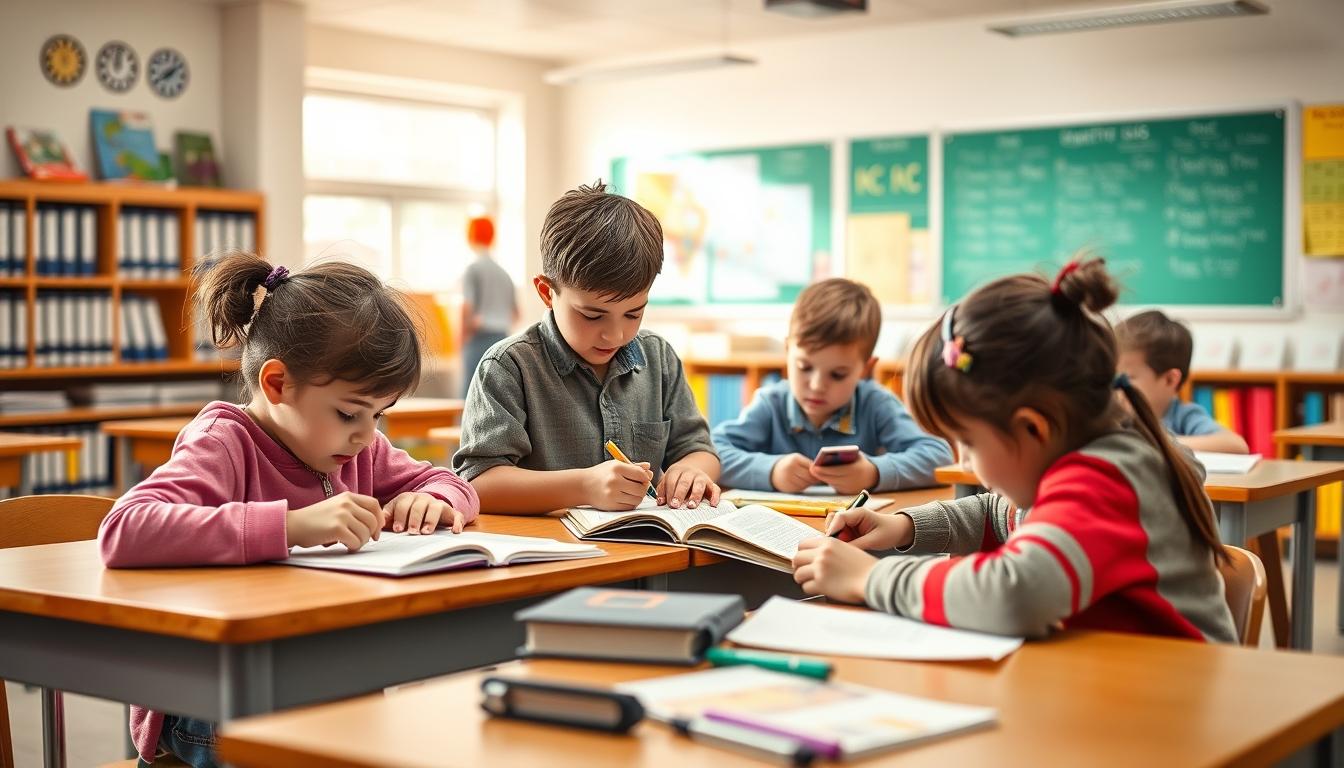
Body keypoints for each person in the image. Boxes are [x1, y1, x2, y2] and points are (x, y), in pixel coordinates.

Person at [100, 251, 480, 767]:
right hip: (213, 699)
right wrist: (290, 525)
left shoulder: (356, 444)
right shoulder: (224, 443)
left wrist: (431, 499)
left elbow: (450, 481)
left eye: (379, 414)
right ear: (277, 384)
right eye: (350, 412)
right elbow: (124, 528)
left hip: (321, 678)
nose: (368, 434)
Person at [792, 258, 1236, 643]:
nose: (963, 462)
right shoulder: (1068, 464)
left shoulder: (1106, 479)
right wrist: (900, 527)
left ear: (1031, 428)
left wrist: (869, 578)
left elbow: (1013, 595)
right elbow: (997, 514)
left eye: (968, 442)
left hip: (1173, 703)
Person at [454, 181, 720, 514]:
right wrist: (582, 487)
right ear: (547, 293)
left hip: (646, 554)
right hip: (549, 558)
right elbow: (480, 482)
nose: (615, 334)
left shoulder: (659, 359)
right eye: (593, 315)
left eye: (633, 313)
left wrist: (692, 469)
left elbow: (699, 449)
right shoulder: (509, 367)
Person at [712, 278, 952, 493]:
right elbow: (711, 452)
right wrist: (771, 471)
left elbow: (940, 457)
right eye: (805, 367)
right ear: (788, 351)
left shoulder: (876, 403)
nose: (816, 385)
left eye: (837, 375)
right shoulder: (771, 404)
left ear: (865, 370)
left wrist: (873, 472)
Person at [1115, 310, 1249, 454]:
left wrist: (1158, 442)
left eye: (1126, 378)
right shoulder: (1112, 413)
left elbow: (1237, 445)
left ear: (1170, 380)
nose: (1115, 387)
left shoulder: (1183, 416)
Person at [460, 215, 519, 396]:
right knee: (497, 397)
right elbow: (516, 313)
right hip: (503, 339)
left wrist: (461, 339)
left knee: (470, 397)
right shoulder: (505, 274)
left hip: (478, 338)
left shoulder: (473, 270)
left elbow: (467, 308)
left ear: (470, 236)